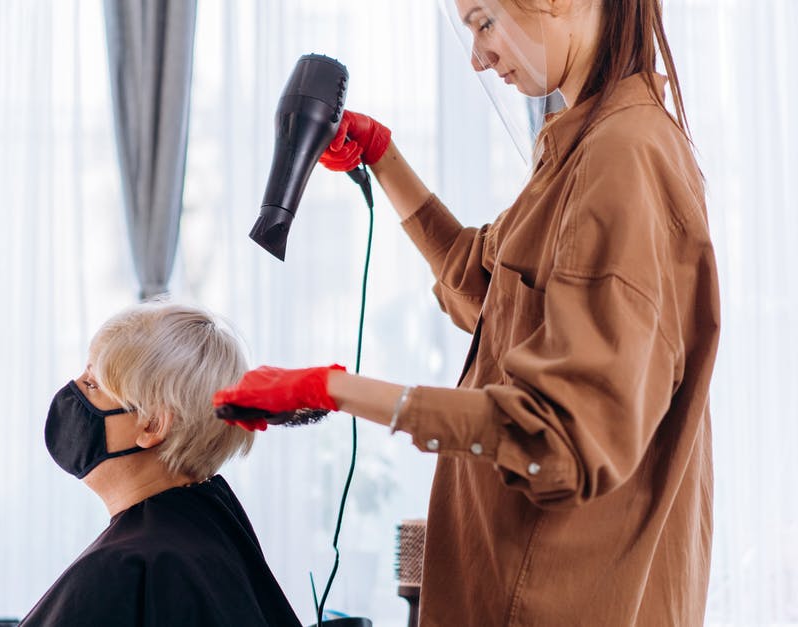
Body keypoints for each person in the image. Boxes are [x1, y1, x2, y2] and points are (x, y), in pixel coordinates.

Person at [214, 0, 719, 624]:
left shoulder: (622, 158)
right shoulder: (582, 142)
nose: (479, 58)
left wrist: (332, 389)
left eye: (484, 22)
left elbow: (559, 439)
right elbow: (493, 293)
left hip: (553, 600)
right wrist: (381, 155)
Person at [21, 302, 302, 627]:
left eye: (93, 384)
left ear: (152, 425)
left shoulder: (128, 568)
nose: (73, 393)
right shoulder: (211, 528)